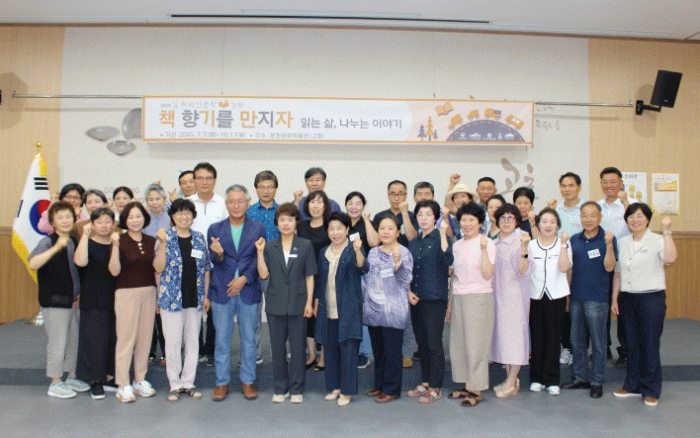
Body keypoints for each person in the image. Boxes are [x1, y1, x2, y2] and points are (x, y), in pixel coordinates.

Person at [612, 203, 676, 407]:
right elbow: (619, 272)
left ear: (647, 219)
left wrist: (667, 231)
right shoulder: (623, 242)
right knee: (631, 344)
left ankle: (650, 389)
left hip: (651, 299)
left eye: (639, 216)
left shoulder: (658, 240)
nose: (635, 220)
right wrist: (614, 299)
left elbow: (670, 258)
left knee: (649, 343)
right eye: (631, 217)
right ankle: (632, 385)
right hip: (627, 298)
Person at [207, 184, 266, 402]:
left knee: (249, 339)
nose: (236, 205)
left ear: (248, 203)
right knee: (222, 340)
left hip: (248, 288)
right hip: (222, 290)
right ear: (226, 204)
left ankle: (248, 380)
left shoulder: (258, 227)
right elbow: (213, 260)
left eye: (240, 201)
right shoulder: (215, 229)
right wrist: (218, 254)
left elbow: (258, 257)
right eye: (232, 201)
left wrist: (244, 279)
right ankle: (222, 382)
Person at [255, 203, 316, 404]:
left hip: (299, 304)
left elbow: (309, 276)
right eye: (282, 219)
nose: (286, 223)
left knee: (298, 350)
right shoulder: (269, 246)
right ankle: (280, 388)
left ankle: (297, 388)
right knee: (278, 349)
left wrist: (309, 302)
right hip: (275, 304)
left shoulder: (305, 245)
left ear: (296, 222)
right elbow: (263, 275)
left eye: (290, 219)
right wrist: (259, 252)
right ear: (277, 223)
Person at [29, 201, 90, 398]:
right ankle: (55, 382)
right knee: (58, 343)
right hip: (54, 302)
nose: (65, 221)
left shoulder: (74, 240)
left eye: (68, 217)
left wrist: (80, 292)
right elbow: (33, 263)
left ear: (74, 219)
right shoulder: (47, 241)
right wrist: (56, 248)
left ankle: (71, 376)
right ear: (53, 222)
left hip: (73, 301)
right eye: (60, 217)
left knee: (73, 341)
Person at [109, 201, 166, 403]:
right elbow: (114, 270)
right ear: (125, 220)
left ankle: (139, 380)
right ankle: (123, 383)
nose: (135, 220)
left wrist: (163, 245)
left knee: (144, 339)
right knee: (126, 339)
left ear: (145, 218)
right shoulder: (119, 240)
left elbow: (158, 268)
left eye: (138, 216)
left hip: (148, 292)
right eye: (131, 217)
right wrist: (115, 246)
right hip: (126, 293)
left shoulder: (152, 240)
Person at [157, 198, 211, 402]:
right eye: (179, 212)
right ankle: (175, 384)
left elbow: (206, 269)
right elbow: (158, 268)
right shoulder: (165, 237)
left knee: (192, 342)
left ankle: (188, 382)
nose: (184, 216)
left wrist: (206, 295)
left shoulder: (199, 238)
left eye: (187, 212)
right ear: (172, 216)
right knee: (172, 343)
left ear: (193, 216)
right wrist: (162, 244)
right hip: (171, 299)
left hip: (194, 298)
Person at [562, 202, 617, 398]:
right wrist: (567, 296)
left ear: (600, 217)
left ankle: (597, 381)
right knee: (577, 341)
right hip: (576, 297)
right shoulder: (574, 239)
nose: (588, 219)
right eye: (584, 215)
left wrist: (609, 245)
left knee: (598, 343)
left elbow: (610, 267)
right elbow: (569, 269)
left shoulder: (608, 238)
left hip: (597, 298)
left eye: (593, 215)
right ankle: (580, 377)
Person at [315, 212, 369, 406]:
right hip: (328, 308)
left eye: (339, 228)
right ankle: (335, 387)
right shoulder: (323, 252)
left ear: (347, 229)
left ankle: (346, 391)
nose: (335, 232)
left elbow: (363, 268)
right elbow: (320, 282)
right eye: (331, 228)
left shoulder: (353, 248)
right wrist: (316, 305)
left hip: (348, 309)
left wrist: (358, 251)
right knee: (330, 350)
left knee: (348, 351)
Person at [447, 203, 495, 407]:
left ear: (480, 222)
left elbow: (488, 274)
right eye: (463, 220)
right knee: (459, 345)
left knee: (476, 346)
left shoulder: (487, 243)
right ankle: (467, 384)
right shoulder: (457, 245)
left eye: (471, 220)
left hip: (479, 297)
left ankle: (477, 389)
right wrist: (450, 305)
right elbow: (454, 277)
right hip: (458, 297)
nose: (467, 224)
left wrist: (483, 249)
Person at [363, 215, 413, 403]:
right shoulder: (373, 252)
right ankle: (380, 384)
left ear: (398, 232)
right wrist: (364, 301)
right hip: (373, 309)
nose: (385, 232)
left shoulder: (404, 252)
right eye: (382, 228)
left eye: (390, 228)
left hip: (393, 310)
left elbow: (406, 279)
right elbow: (367, 279)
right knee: (379, 351)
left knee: (392, 352)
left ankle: (391, 389)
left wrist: (398, 264)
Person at [406, 200, 453, 403]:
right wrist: (408, 291)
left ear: (436, 218)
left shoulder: (442, 238)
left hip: (435, 299)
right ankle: (425, 382)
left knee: (434, 344)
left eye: (428, 214)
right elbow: (407, 271)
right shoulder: (413, 242)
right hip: (416, 299)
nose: (424, 218)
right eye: (420, 214)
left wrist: (443, 234)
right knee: (422, 344)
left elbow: (447, 260)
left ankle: (435, 387)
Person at [74, 208, 118, 400]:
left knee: (112, 339)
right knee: (95, 341)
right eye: (99, 222)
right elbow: (80, 262)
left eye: (107, 221)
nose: (104, 225)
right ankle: (96, 380)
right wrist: (85, 236)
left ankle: (110, 377)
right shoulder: (88, 242)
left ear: (113, 224)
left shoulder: (116, 244)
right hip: (93, 298)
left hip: (115, 297)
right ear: (92, 224)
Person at [372, 180, 417, 367]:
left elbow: (412, 237)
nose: (397, 197)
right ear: (388, 195)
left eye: (400, 193)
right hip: (383, 268)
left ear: (406, 195)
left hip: (404, 266)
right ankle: (386, 352)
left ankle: (406, 352)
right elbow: (375, 241)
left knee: (405, 313)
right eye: (393, 193)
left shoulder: (412, 215)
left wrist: (405, 213)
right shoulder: (381, 216)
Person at [527, 208, 572, 396]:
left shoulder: (564, 244)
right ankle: (536, 378)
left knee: (554, 339)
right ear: (538, 224)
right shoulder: (530, 245)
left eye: (552, 222)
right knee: (537, 338)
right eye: (544, 221)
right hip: (535, 295)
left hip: (556, 296)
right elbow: (525, 269)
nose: (548, 225)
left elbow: (564, 267)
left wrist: (563, 245)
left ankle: (552, 379)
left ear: (558, 225)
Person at [490, 203, 532, 398]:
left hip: (515, 298)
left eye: (511, 218)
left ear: (517, 222)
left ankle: (512, 379)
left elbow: (523, 270)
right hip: (497, 298)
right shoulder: (493, 244)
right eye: (503, 218)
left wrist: (524, 248)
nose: (506, 221)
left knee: (514, 339)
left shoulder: (521, 242)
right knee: (503, 338)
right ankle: (511, 380)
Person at [188, 162, 227, 367]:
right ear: (194, 180)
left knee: (214, 308)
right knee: (193, 309)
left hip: (217, 263)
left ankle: (210, 349)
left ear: (214, 180)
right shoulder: (186, 203)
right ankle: (195, 349)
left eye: (208, 178)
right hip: (191, 264)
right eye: (200, 178)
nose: (204, 182)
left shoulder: (222, 203)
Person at [547, 172, 584, 367]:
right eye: (564, 185)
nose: (567, 189)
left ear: (579, 187)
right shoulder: (556, 210)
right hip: (559, 266)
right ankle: (567, 347)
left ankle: (579, 348)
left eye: (571, 185)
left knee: (578, 309)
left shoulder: (585, 209)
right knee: (563, 308)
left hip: (581, 265)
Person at [598, 166, 632, 367]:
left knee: (623, 308)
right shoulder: (597, 207)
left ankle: (626, 351)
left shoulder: (631, 205)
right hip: (602, 263)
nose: (609, 185)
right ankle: (604, 348)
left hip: (625, 264)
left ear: (621, 182)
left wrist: (626, 202)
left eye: (613, 181)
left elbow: (637, 224)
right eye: (605, 182)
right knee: (602, 308)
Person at [247, 170, 281, 365]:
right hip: (253, 268)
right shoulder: (249, 212)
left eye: (270, 187)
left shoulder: (283, 212)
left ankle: (278, 353)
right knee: (253, 313)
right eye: (262, 187)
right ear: (256, 189)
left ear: (275, 189)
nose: (266, 191)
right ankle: (255, 353)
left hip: (277, 269)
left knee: (276, 313)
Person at [297, 190, 332, 371]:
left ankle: (324, 356)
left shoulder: (330, 226)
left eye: (320, 202)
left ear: (325, 206)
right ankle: (312, 354)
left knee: (324, 317)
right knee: (307, 317)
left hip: (326, 277)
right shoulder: (301, 226)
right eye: (312, 202)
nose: (316, 205)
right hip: (305, 278)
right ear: (307, 205)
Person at [344, 191, 378, 368]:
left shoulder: (367, 223)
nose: (354, 207)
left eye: (358, 203)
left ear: (363, 206)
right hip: (345, 273)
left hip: (364, 273)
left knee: (363, 311)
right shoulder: (342, 223)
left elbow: (374, 243)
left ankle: (364, 352)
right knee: (348, 312)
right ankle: (350, 349)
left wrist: (366, 220)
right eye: (350, 203)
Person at [142, 183, 170, 366]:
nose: (154, 202)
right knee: (148, 313)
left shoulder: (171, 217)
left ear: (164, 200)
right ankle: (150, 351)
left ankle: (166, 351)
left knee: (163, 312)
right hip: (146, 269)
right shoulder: (143, 219)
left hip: (167, 270)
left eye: (158, 198)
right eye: (150, 199)